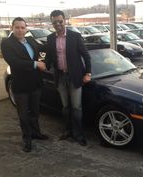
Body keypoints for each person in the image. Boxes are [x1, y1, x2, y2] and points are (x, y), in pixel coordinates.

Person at [1, 17, 48, 153]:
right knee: (23, 115)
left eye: (23, 27)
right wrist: (36, 64)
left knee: (35, 112)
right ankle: (27, 139)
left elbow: (42, 49)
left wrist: (54, 41)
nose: (20, 30)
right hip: (21, 86)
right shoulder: (7, 43)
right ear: (12, 28)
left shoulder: (31, 40)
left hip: (35, 84)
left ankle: (36, 133)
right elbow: (14, 62)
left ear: (26, 28)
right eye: (17, 27)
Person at [45, 10, 91, 146]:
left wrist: (88, 73)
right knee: (65, 107)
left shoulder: (75, 36)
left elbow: (86, 55)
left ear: (65, 20)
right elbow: (49, 57)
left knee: (76, 107)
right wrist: (42, 64)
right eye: (55, 22)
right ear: (52, 22)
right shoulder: (50, 38)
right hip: (60, 77)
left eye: (60, 21)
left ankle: (78, 134)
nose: (58, 24)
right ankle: (68, 131)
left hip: (75, 77)